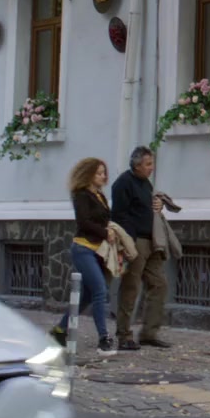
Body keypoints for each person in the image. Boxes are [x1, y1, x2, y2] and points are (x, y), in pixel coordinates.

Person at [49, 158, 118, 356]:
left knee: (87, 296)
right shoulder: (81, 195)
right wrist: (104, 233)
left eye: (104, 173)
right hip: (83, 249)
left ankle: (59, 332)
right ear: (88, 174)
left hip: (98, 250)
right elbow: (84, 222)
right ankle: (103, 339)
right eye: (99, 173)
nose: (103, 176)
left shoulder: (100, 196)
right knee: (100, 290)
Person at [111, 146, 171, 350]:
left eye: (151, 163)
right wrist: (130, 239)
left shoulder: (146, 183)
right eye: (148, 164)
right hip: (136, 242)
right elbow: (118, 214)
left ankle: (149, 333)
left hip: (152, 241)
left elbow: (148, 206)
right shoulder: (123, 183)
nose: (151, 168)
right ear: (137, 165)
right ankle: (124, 335)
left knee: (159, 284)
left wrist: (158, 205)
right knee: (131, 287)